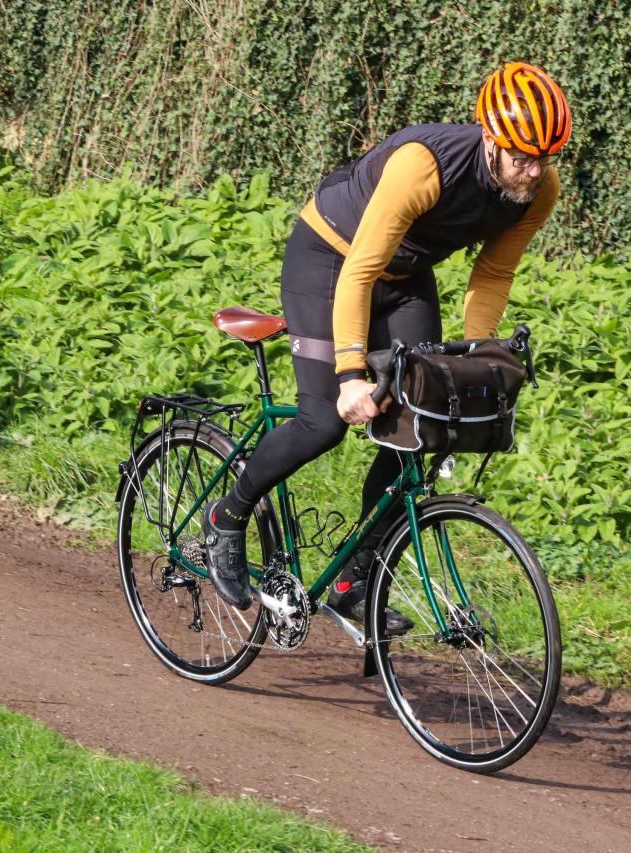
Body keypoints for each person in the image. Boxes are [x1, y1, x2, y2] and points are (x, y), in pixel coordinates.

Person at [202, 62, 571, 632]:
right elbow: (360, 269)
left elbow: (493, 274)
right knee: (323, 421)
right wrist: (351, 372)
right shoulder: (424, 166)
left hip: (406, 276)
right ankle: (228, 515)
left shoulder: (538, 189)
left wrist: (477, 361)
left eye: (544, 157)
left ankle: (353, 578)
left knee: (419, 424)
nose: (532, 170)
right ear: (492, 138)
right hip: (331, 256)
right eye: (522, 155)